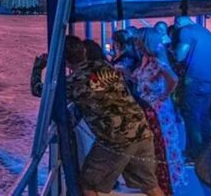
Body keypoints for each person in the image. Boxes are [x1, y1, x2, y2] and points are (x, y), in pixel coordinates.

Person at [65, 35, 164, 196]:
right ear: (84, 52)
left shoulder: (72, 83)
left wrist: (38, 68)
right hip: (141, 129)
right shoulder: (105, 66)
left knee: (88, 183)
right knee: (150, 186)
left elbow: (40, 91)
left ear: (65, 62)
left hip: (116, 139)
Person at [132, 28, 187, 193]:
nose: (136, 45)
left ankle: (166, 183)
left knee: (163, 146)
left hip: (158, 111)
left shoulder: (156, 61)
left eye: (138, 42)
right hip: (149, 108)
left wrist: (164, 95)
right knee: (155, 146)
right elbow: (138, 79)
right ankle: (159, 183)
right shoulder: (146, 60)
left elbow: (173, 79)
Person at [173, 16, 211, 160]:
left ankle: (195, 154)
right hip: (210, 80)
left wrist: (172, 51)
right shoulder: (206, 32)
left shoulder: (186, 31)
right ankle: (207, 154)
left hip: (194, 79)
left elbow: (179, 55)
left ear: (178, 22)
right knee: (204, 116)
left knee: (191, 116)